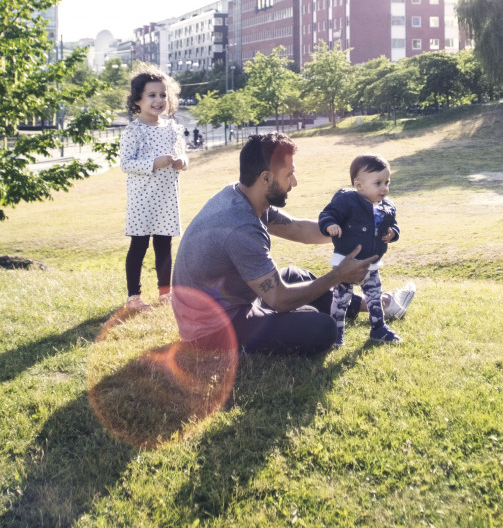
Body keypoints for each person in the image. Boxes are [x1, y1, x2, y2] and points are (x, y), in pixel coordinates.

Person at [171, 134, 380, 355]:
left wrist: (354, 233)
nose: (294, 182)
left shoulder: (243, 194)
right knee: (322, 328)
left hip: (231, 303)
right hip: (213, 329)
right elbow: (279, 299)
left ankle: (376, 304)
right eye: (289, 175)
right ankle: (243, 345)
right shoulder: (240, 226)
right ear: (266, 178)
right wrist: (338, 275)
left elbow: (297, 228)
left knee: (296, 276)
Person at [319, 154, 415, 345]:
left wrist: (393, 233)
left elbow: (393, 224)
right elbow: (328, 214)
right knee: (340, 300)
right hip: (346, 263)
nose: (384, 188)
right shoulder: (347, 200)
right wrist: (330, 225)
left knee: (374, 298)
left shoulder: (387, 206)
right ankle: (336, 333)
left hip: (371, 264)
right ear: (359, 185)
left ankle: (378, 328)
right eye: (378, 183)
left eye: (387, 182)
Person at [119, 68, 188, 313]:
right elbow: (125, 163)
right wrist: (153, 163)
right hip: (142, 200)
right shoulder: (133, 131)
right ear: (138, 100)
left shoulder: (172, 129)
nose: (159, 100)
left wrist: (181, 162)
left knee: (164, 246)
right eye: (151, 95)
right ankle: (133, 298)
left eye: (162, 95)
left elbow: (183, 157)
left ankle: (165, 293)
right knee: (138, 246)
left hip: (167, 198)